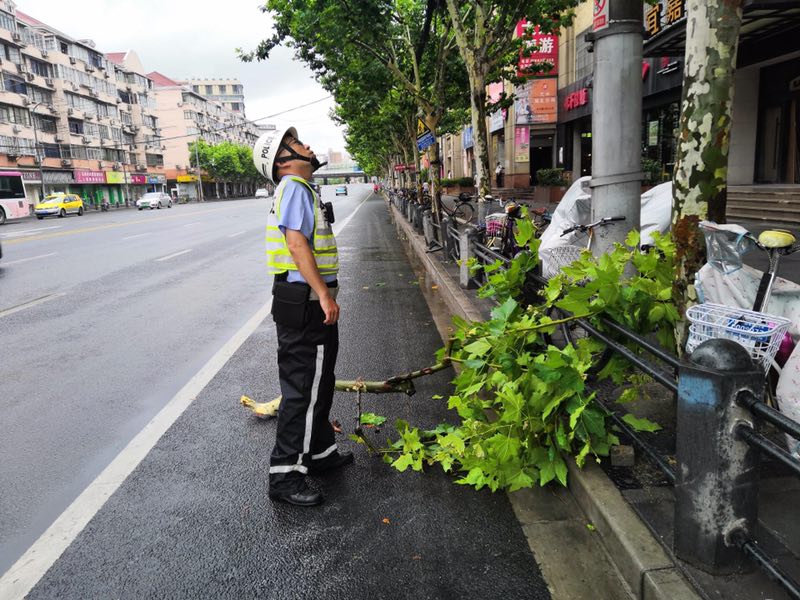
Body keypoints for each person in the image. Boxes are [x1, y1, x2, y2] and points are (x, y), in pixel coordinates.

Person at [252, 126, 352, 507]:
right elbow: (296, 244)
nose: (308, 147)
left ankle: (319, 452)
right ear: (283, 161)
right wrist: (324, 294)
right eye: (298, 145)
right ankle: (285, 475)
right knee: (303, 390)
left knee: (320, 383)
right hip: (306, 302)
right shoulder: (293, 187)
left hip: (307, 301)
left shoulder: (302, 189)